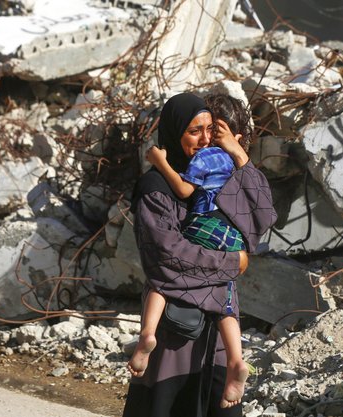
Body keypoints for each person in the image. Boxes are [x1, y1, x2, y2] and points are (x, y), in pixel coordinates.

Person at [122, 92, 277, 417]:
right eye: (196, 132)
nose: (207, 142)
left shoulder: (219, 181)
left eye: (214, 133)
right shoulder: (156, 188)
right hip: (177, 335)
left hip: (217, 338)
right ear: (176, 133)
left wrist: (241, 158)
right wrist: (231, 263)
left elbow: (262, 218)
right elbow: (165, 255)